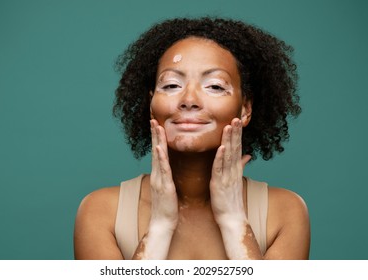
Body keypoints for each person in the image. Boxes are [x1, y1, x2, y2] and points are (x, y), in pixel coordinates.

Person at [74, 17, 310, 260]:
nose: (189, 99)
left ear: (245, 109)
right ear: (151, 105)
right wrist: (160, 227)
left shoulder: (286, 213)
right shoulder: (100, 212)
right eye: (172, 85)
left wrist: (233, 221)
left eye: (215, 86)